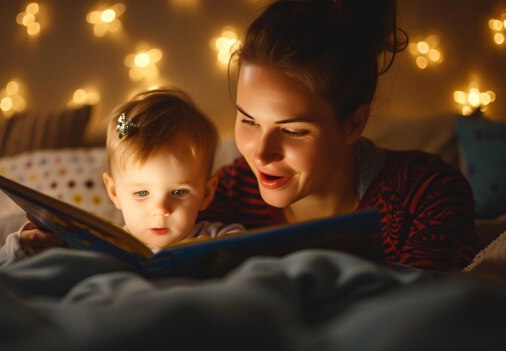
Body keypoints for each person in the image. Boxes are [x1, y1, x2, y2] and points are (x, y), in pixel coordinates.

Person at [197, 0, 477, 271]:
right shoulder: (226, 192)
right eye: (249, 121)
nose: (261, 153)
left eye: (292, 131)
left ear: (353, 125)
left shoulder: (426, 196)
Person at [0, 88, 244, 262]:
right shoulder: (96, 242)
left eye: (178, 192)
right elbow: (3, 274)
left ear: (206, 192)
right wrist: (23, 247)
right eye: (142, 193)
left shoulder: (215, 238)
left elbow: (252, 257)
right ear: (114, 192)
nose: (160, 209)